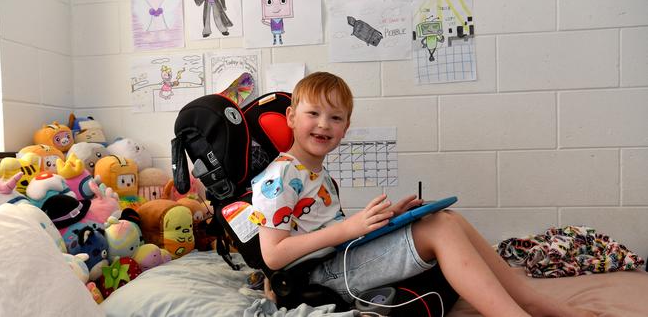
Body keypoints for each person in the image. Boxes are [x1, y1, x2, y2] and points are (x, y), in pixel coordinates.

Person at [252, 72, 595, 317]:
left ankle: (530, 302)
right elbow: (274, 256)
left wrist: (388, 220)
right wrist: (349, 229)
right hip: (317, 276)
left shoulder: (316, 172)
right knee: (441, 228)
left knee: (444, 217)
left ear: (346, 129)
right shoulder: (280, 176)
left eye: (335, 117)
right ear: (291, 118)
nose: (324, 124)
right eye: (313, 114)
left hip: (340, 257)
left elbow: (323, 228)